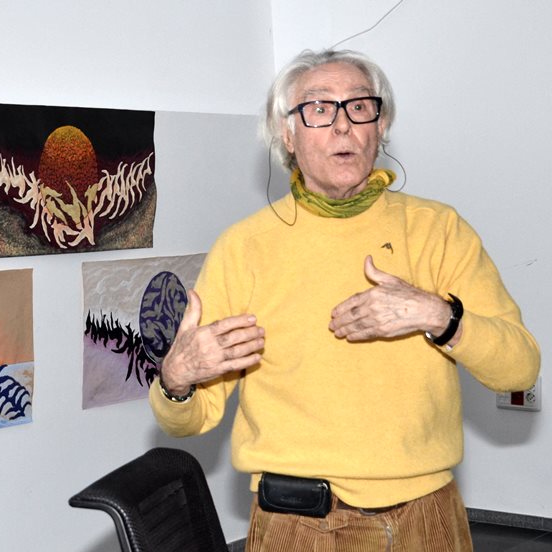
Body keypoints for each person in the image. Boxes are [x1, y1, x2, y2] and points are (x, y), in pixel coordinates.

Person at [148, 49, 540, 552]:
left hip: (429, 518)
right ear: (287, 135)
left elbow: (520, 369)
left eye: (359, 107)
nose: (342, 126)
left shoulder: (438, 230)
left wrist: (438, 314)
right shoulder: (244, 248)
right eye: (318, 109)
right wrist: (176, 378)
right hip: (298, 524)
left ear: (381, 125)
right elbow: (189, 420)